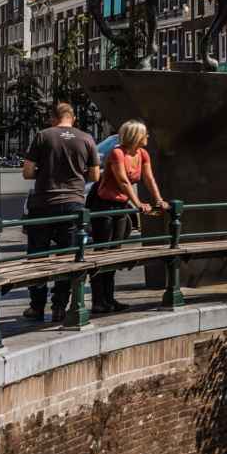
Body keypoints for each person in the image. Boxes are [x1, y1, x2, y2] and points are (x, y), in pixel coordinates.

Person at [21, 103, 100, 323]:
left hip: (44, 202)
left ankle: (36, 307)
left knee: (38, 255)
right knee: (68, 256)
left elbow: (27, 172)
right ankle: (59, 307)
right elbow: (95, 176)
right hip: (73, 203)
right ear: (72, 118)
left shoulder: (43, 136)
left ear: (53, 118)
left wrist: (45, 171)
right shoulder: (87, 139)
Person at [88, 120, 166, 314]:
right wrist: (138, 204)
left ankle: (110, 298)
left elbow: (149, 178)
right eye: (145, 134)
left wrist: (159, 199)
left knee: (115, 252)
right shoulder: (117, 153)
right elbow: (123, 181)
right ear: (135, 136)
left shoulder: (142, 154)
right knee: (102, 251)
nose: (148, 137)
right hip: (104, 204)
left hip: (120, 204)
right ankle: (99, 300)